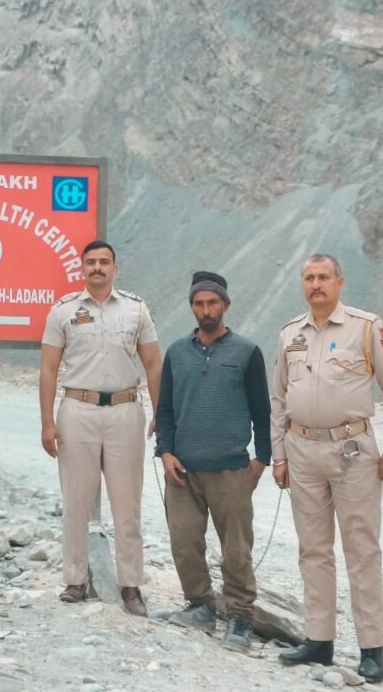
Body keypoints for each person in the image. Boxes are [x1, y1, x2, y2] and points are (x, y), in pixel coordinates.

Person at [270, 254, 383, 683]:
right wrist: (279, 455)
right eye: (309, 278)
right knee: (312, 550)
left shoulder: (366, 327)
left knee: (362, 551)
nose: (316, 284)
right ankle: (319, 641)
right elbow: (278, 398)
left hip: (353, 452)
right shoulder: (289, 334)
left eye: (324, 277)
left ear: (340, 282)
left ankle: (372, 649)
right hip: (303, 451)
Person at [39, 240, 162, 616]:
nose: (97, 268)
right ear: (81, 269)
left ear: (115, 268)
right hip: (77, 409)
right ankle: (75, 581)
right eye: (90, 262)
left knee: (128, 503)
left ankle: (130, 586)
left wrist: (160, 413)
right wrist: (47, 421)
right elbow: (47, 368)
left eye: (104, 262)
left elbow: (154, 363)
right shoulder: (63, 312)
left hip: (126, 408)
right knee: (76, 500)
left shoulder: (136, 309)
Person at [155, 271, 271, 653]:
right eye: (199, 304)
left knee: (236, 549)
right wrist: (165, 451)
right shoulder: (176, 353)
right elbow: (166, 409)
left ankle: (240, 619)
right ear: (192, 307)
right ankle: (200, 605)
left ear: (225, 305)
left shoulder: (246, 352)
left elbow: (262, 411)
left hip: (231, 469)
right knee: (185, 542)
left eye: (213, 303)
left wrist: (263, 459)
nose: (206, 310)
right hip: (183, 470)